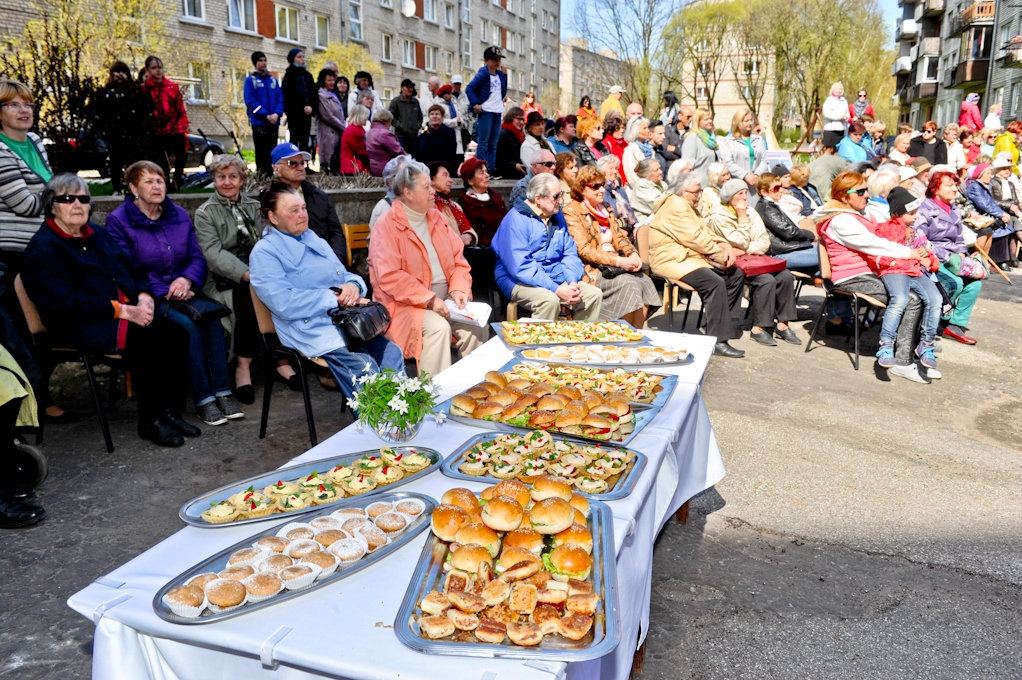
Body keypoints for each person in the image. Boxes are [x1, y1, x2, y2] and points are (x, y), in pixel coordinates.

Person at [22, 173, 196, 446]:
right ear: (52, 205)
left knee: (177, 334)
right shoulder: (43, 248)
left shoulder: (97, 234)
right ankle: (151, 422)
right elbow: (64, 303)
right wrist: (124, 311)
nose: (77, 204)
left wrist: (144, 296)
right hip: (76, 323)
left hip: (121, 313)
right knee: (147, 341)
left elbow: (132, 268)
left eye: (83, 198)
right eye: (67, 198)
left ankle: (168, 411)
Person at [105, 161, 243, 425]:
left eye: (160, 180)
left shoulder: (178, 214)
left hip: (186, 290)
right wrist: (161, 290)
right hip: (149, 295)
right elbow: (125, 266)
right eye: (148, 181)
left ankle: (223, 393)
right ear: (133, 187)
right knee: (188, 327)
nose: (156, 186)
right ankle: (204, 399)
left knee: (212, 320)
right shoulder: (118, 221)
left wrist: (186, 280)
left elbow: (197, 256)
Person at [250, 183, 404, 397]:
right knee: (364, 365)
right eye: (294, 210)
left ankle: (401, 416)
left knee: (391, 353)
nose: (303, 215)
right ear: (273, 217)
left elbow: (344, 275)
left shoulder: (312, 238)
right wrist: (334, 298)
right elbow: (284, 303)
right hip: (305, 327)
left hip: (343, 321)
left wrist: (353, 286)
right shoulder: (264, 253)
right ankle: (384, 424)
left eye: (303, 208)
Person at [369, 162, 487, 378]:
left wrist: (459, 288)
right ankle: (434, 400)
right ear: (408, 193)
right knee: (438, 328)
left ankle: (474, 390)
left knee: (476, 326)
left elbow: (458, 260)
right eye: (426, 187)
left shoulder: (437, 218)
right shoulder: (386, 226)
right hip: (404, 306)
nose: (433, 191)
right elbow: (390, 277)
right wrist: (430, 299)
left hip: (446, 300)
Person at [813, 170, 929, 381]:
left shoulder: (862, 214)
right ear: (843, 196)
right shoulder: (840, 221)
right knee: (911, 300)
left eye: (866, 189)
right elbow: (874, 244)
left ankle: (915, 348)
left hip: (872, 272)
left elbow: (885, 229)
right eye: (860, 191)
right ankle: (903, 360)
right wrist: (909, 253)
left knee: (922, 292)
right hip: (851, 277)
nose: (866, 194)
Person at [192, 154, 281, 405]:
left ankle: (283, 359)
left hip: (258, 272)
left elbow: (269, 240)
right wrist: (247, 274)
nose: (227, 182)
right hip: (223, 278)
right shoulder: (205, 213)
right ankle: (243, 369)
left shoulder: (254, 207)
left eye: (233, 176)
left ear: (242, 180)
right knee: (251, 297)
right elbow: (213, 254)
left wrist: (265, 270)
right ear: (214, 180)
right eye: (221, 177)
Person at [648, 172, 745, 357]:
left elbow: (705, 231)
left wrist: (724, 244)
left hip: (689, 257)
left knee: (735, 275)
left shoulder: (688, 204)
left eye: (700, 191)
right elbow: (696, 239)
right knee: (714, 283)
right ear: (683, 192)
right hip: (672, 259)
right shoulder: (676, 206)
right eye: (696, 192)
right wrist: (721, 255)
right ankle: (719, 341)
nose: (700, 195)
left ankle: (719, 324)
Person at [492, 174, 602, 320]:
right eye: (556, 197)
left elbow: (569, 253)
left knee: (593, 295)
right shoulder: (515, 220)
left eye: (561, 195)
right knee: (549, 301)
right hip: (516, 279)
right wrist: (556, 289)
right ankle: (539, 342)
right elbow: (521, 266)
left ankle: (577, 340)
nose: (561, 201)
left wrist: (572, 281)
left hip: (554, 274)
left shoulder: (557, 216)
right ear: (538, 198)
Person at [706, 179, 800, 346]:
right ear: (729, 197)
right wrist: (742, 218)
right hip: (732, 261)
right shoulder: (718, 217)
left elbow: (763, 242)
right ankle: (759, 328)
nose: (745, 197)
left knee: (785, 275)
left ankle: (783, 325)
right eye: (740, 194)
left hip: (753, 257)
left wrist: (746, 249)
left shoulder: (752, 212)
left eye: (745, 193)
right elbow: (738, 240)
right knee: (767, 280)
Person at [563, 165, 660, 327]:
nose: (601, 190)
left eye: (603, 185)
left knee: (644, 281)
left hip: (613, 265)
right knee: (629, 285)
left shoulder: (606, 208)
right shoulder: (572, 211)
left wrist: (632, 254)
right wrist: (619, 261)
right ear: (581, 189)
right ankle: (621, 338)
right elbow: (584, 250)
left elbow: (619, 238)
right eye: (595, 186)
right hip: (590, 269)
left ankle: (636, 335)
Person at [872, 187, 942, 373]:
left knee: (936, 300)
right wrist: (907, 243)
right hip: (894, 270)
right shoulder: (884, 229)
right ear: (896, 213)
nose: (915, 216)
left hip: (915, 271)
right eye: (910, 213)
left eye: (916, 212)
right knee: (900, 299)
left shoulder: (915, 232)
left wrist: (927, 257)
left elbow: (927, 252)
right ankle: (886, 344)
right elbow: (883, 250)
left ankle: (926, 343)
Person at [914, 171, 985, 345]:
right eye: (949, 185)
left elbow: (959, 238)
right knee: (957, 282)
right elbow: (921, 239)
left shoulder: (954, 209)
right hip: (935, 256)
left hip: (954, 256)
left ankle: (955, 325)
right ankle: (934, 319)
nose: (955, 189)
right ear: (936, 189)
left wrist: (962, 253)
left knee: (975, 284)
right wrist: (946, 256)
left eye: (955, 185)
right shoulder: (925, 209)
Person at [271, 142, 347, 262]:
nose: (301, 167)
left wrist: (337, 261)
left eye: (302, 163)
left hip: (329, 263)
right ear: (277, 169)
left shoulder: (319, 196)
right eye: (292, 163)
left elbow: (336, 233)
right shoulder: (270, 201)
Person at [92, 62, 154, 193]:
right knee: (115, 162)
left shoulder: (135, 92)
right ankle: (117, 186)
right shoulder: (105, 93)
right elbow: (98, 113)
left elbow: (143, 112)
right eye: (117, 72)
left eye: (123, 72)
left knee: (133, 162)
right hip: (114, 135)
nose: (120, 75)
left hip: (133, 134)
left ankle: (134, 186)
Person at [140, 56, 189, 190]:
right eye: (154, 68)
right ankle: (165, 181)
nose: (158, 71)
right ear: (147, 70)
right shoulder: (145, 89)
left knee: (181, 154)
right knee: (160, 158)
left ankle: (178, 179)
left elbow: (180, 106)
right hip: (157, 129)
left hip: (175, 126)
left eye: (160, 67)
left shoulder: (172, 86)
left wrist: (184, 123)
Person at [755, 174, 818, 272]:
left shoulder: (772, 205)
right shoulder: (767, 208)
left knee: (831, 262)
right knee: (830, 253)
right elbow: (788, 232)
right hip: (782, 253)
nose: (780, 190)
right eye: (776, 188)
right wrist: (810, 235)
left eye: (780, 186)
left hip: (791, 248)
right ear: (764, 192)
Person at [243, 51, 284, 178]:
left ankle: (272, 176)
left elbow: (280, 99)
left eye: (265, 60)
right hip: (259, 122)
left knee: (273, 151)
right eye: (260, 60)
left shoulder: (273, 80)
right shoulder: (251, 80)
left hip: (273, 122)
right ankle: (262, 177)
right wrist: (265, 114)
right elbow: (250, 101)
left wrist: (277, 114)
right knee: (261, 151)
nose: (263, 63)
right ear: (255, 63)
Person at [466, 47, 508, 171]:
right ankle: (480, 168)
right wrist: (475, 104)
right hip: (486, 112)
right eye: (494, 59)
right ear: (486, 60)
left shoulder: (501, 74)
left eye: (499, 59)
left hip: (497, 112)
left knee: (493, 143)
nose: (497, 62)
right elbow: (469, 88)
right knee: (483, 142)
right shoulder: (483, 73)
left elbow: (502, 91)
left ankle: (491, 168)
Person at [719, 109, 767, 204]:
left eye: (751, 120)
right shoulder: (728, 141)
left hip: (756, 184)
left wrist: (756, 175)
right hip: (738, 184)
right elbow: (728, 162)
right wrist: (745, 175)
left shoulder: (759, 139)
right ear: (738, 122)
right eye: (746, 121)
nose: (750, 123)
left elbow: (764, 160)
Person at [457, 157, 507, 246]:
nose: (487, 175)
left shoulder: (495, 196)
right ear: (470, 180)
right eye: (481, 173)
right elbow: (480, 239)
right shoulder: (467, 205)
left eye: (486, 171)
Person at [280, 49, 316, 154]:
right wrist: (301, 108)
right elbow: (288, 96)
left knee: (305, 138)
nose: (302, 59)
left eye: (303, 57)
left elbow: (313, 93)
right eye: (299, 57)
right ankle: (293, 163)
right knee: (294, 139)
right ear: (293, 60)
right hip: (294, 114)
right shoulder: (289, 75)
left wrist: (311, 107)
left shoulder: (308, 76)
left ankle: (304, 164)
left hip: (307, 113)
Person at [430, 162, 473, 243]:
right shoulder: (428, 206)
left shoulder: (454, 205)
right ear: (431, 180)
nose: (451, 180)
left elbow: (470, 229)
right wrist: (457, 240)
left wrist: (469, 236)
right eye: (445, 175)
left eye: (449, 176)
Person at [315, 68, 346, 175]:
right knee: (327, 158)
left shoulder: (333, 94)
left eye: (333, 80)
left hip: (337, 131)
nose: (332, 82)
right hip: (328, 132)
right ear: (323, 81)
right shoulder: (321, 95)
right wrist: (343, 128)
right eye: (329, 80)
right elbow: (327, 116)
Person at [370, 155, 412, 231]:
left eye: (410, 175)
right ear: (390, 182)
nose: (409, 181)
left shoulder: (412, 203)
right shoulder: (383, 208)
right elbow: (380, 241)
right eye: (404, 176)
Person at [680, 108, 718, 188]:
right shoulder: (692, 138)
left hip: (712, 185)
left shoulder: (712, 139)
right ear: (698, 121)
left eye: (710, 118)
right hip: (698, 186)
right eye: (706, 119)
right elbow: (686, 165)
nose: (710, 121)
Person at [598, 155, 637, 231]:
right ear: (601, 171)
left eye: (616, 168)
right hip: (615, 230)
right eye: (611, 168)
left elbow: (631, 212)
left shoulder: (620, 190)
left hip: (629, 227)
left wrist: (636, 227)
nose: (615, 171)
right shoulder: (600, 190)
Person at [414, 104, 457, 169]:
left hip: (441, 169)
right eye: (432, 114)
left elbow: (450, 153)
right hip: (423, 170)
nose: (434, 116)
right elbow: (416, 153)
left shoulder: (449, 133)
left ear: (442, 117)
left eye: (437, 114)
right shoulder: (423, 135)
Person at [366, 109, 407, 177]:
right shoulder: (385, 134)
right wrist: (410, 159)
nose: (391, 124)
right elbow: (398, 151)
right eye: (390, 121)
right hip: (388, 168)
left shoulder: (370, 132)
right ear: (386, 121)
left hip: (375, 168)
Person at [388, 79, 423, 153]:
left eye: (411, 87)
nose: (410, 89)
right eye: (407, 87)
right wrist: (402, 127)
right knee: (401, 157)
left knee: (414, 158)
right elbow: (391, 117)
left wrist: (417, 126)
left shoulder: (415, 102)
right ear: (402, 88)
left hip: (414, 137)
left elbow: (420, 116)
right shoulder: (396, 101)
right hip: (401, 137)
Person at [436, 84, 466, 166]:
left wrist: (460, 121)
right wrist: (455, 121)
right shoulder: (439, 105)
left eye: (451, 93)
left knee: (458, 161)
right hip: (446, 136)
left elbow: (460, 117)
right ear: (443, 94)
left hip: (457, 135)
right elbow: (441, 121)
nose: (450, 96)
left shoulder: (453, 105)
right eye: (448, 93)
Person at [339, 105, 371, 175]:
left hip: (354, 166)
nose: (367, 119)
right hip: (353, 167)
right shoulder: (353, 131)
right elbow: (360, 152)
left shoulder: (355, 129)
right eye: (366, 116)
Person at [496, 107, 527, 179]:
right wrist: (514, 165)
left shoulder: (520, 135)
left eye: (523, 119)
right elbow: (498, 157)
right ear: (511, 118)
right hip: (507, 174)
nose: (521, 122)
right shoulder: (503, 134)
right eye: (518, 119)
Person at [621, 116, 652, 186]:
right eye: (644, 128)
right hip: (639, 191)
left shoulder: (650, 149)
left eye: (648, 128)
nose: (648, 131)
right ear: (635, 131)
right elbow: (632, 178)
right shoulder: (630, 151)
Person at [822, 82, 849, 147]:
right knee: (829, 149)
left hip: (841, 129)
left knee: (838, 149)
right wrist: (839, 117)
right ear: (833, 90)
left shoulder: (844, 101)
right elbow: (826, 113)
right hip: (831, 129)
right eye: (837, 89)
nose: (839, 91)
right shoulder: (829, 100)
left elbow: (847, 112)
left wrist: (846, 117)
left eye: (840, 89)